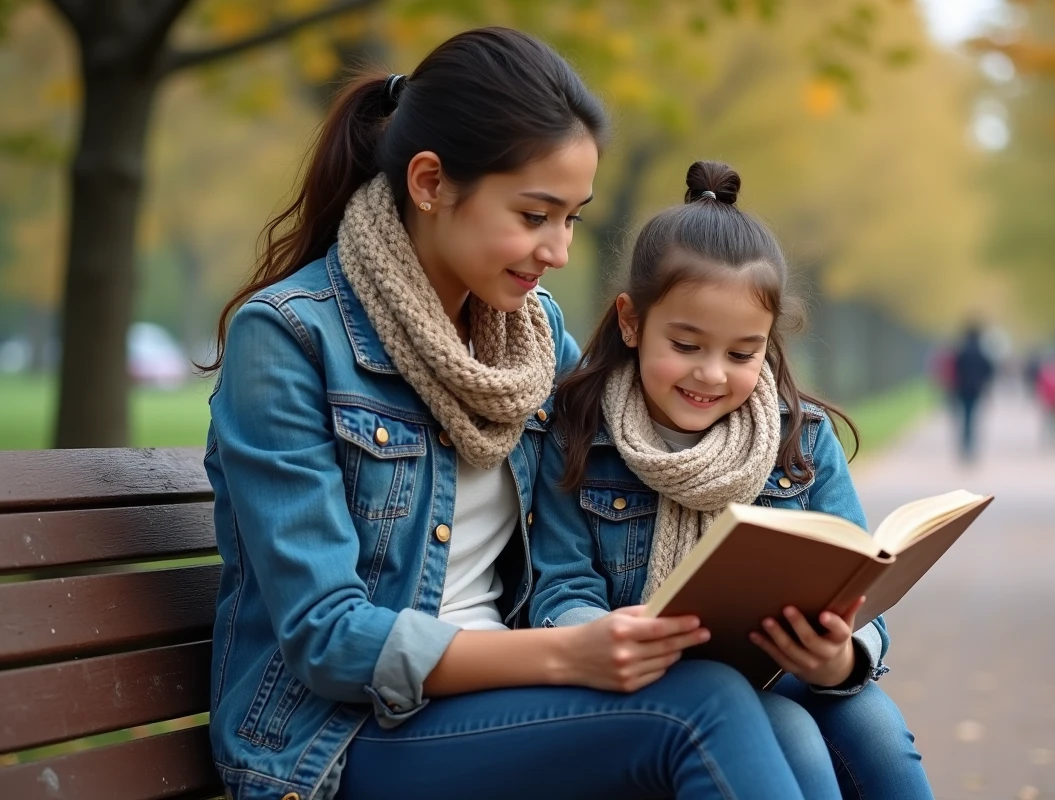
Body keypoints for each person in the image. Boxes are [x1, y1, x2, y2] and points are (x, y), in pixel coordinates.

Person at [203, 29, 810, 800]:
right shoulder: (290, 338)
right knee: (703, 712)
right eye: (534, 215)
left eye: (573, 219)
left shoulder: (533, 337)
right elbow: (328, 639)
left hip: (506, 704)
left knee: (792, 719)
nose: (557, 250)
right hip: (344, 738)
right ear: (429, 182)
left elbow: (632, 446)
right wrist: (567, 655)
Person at [530, 161, 933, 800]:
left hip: (788, 669)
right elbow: (560, 587)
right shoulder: (579, 435)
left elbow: (859, 589)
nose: (712, 374)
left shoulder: (802, 439)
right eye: (686, 345)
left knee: (875, 726)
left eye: (742, 353)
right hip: (655, 681)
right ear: (631, 322)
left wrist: (839, 656)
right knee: (792, 734)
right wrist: (605, 629)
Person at [950, 322, 994, 462]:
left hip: (962, 388)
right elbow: (989, 369)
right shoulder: (981, 352)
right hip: (976, 389)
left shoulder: (962, 351)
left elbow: (955, 369)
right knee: (973, 416)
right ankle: (970, 445)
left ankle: (965, 444)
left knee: (965, 416)